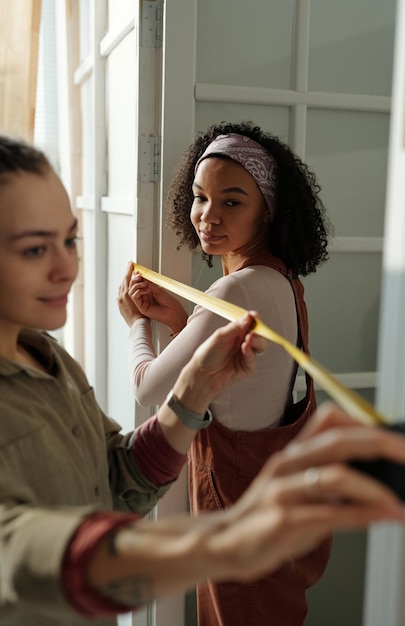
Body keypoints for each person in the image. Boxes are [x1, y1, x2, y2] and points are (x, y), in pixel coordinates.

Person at [1, 138, 405, 626]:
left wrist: (195, 387)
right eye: (33, 248)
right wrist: (229, 540)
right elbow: (25, 552)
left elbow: (117, 476)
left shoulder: (54, 362)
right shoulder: (272, 282)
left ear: (270, 212)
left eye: (70, 241)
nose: (66, 268)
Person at [118, 121, 332, 624]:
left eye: (232, 201)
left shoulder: (234, 291)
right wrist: (177, 320)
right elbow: (229, 373)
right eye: (199, 197)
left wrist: (136, 324)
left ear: (268, 210)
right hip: (278, 496)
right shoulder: (280, 280)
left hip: (237, 496)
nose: (207, 217)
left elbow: (149, 388)